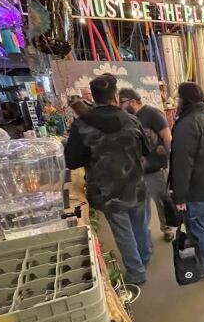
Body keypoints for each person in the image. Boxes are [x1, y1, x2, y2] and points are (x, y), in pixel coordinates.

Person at [65, 74, 151, 285]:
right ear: (115, 95)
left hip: (107, 190)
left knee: (123, 232)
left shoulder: (82, 125)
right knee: (140, 224)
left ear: (94, 97)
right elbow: (146, 150)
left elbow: (71, 160)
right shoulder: (131, 120)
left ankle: (137, 272)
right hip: (136, 183)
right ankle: (145, 257)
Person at [170, 82, 204, 277]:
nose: (176, 101)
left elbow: (182, 166)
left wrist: (179, 197)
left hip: (198, 189)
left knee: (200, 229)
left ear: (184, 100)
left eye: (178, 97)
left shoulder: (186, 124)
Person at [118, 87, 176, 243]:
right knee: (142, 205)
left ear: (132, 101)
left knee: (162, 201)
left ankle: (167, 228)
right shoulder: (127, 118)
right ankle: (144, 232)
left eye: (121, 102)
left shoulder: (153, 114)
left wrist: (169, 158)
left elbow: (167, 136)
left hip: (156, 168)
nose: (120, 105)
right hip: (137, 169)